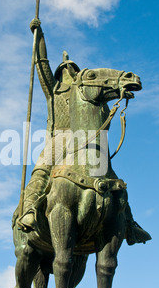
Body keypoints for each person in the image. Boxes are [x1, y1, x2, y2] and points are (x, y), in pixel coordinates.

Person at [16, 19, 151, 246]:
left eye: (72, 70)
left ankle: (128, 222)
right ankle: (29, 209)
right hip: (58, 139)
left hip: (86, 139)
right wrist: (39, 36)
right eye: (65, 70)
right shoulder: (53, 90)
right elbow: (41, 64)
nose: (68, 72)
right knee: (40, 173)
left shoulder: (90, 94)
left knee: (113, 179)